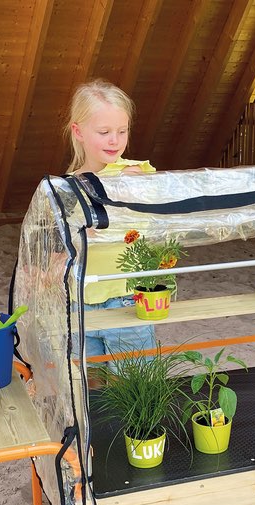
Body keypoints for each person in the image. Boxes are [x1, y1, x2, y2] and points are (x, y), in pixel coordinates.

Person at [65, 78, 157, 372]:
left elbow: (151, 214)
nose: (114, 140)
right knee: (90, 385)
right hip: (81, 302)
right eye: (104, 132)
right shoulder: (69, 185)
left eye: (122, 131)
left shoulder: (136, 172)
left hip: (127, 299)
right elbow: (62, 241)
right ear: (78, 132)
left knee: (135, 383)